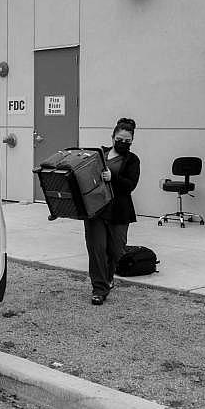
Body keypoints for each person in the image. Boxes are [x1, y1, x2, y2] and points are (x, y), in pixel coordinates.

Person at [84, 117, 140, 305]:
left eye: (127, 141)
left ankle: (108, 277)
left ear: (132, 141)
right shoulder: (99, 154)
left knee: (116, 250)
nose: (123, 143)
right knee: (97, 249)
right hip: (96, 209)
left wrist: (112, 177)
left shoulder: (132, 160)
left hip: (119, 211)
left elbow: (130, 186)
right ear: (113, 136)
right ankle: (99, 289)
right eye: (120, 139)